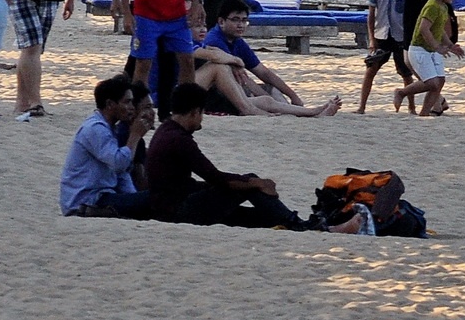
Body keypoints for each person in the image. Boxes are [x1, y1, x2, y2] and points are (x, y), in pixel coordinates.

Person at [146, 82, 353, 231]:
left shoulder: (166, 131)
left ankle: (295, 222)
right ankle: (298, 224)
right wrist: (256, 183)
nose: (201, 120)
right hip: (177, 212)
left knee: (258, 216)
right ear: (194, 112)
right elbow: (215, 177)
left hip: (170, 205)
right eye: (201, 114)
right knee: (252, 182)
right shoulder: (179, 140)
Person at [193, 1, 341, 117]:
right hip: (219, 95)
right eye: (236, 20)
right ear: (221, 22)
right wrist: (235, 61)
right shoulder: (213, 40)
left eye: (244, 21)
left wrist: (293, 96)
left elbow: (264, 73)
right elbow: (242, 80)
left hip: (227, 91)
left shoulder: (235, 41)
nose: (240, 25)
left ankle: (301, 112)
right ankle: (309, 113)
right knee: (266, 99)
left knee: (272, 92)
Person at [60, 75, 152, 217]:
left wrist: (134, 199)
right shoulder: (95, 129)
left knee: (149, 200)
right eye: (127, 102)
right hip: (87, 199)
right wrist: (135, 135)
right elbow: (119, 163)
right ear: (110, 104)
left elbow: (121, 174)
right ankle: (97, 212)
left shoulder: (108, 128)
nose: (131, 108)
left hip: (103, 195)